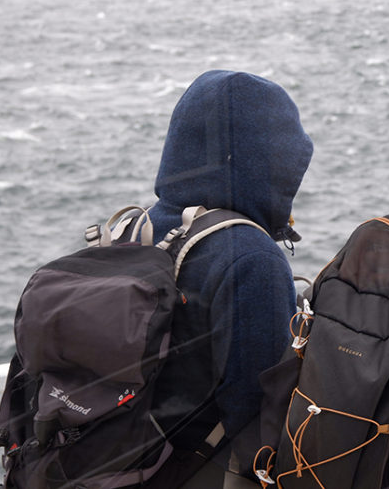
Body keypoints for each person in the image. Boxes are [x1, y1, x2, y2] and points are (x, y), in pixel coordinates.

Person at [146, 70, 314, 487]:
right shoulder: (250, 258)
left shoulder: (139, 228)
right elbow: (259, 414)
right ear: (267, 160)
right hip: (192, 472)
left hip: (122, 462)